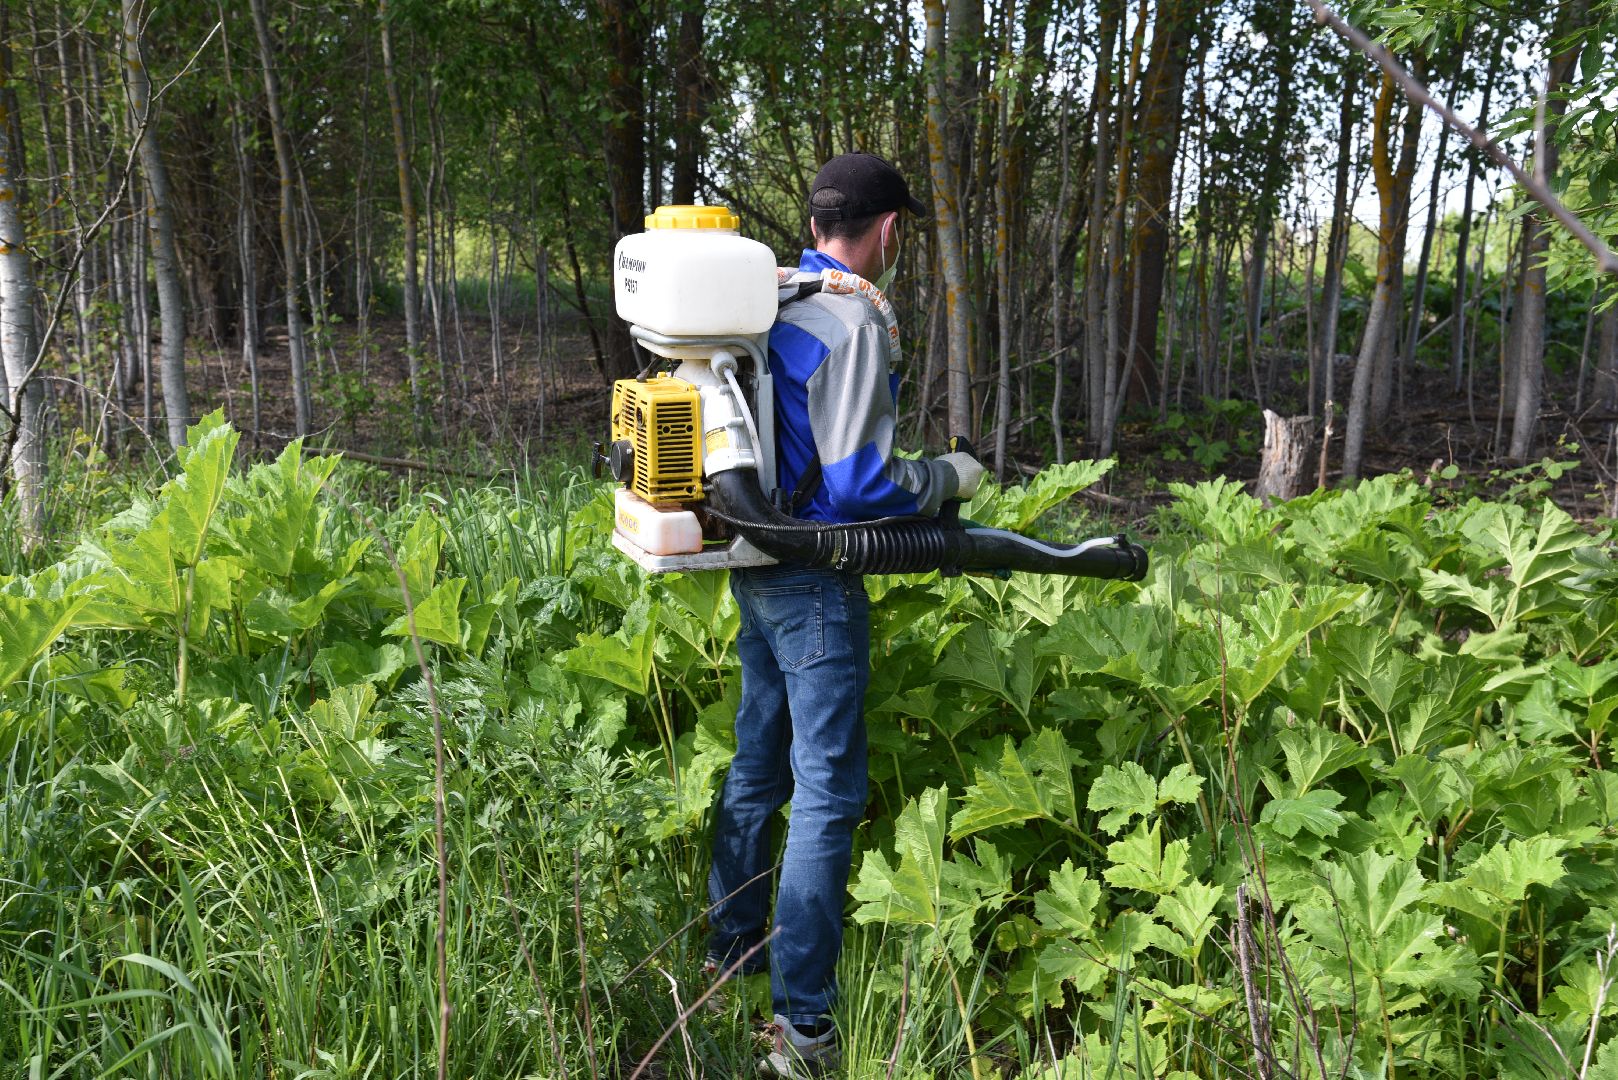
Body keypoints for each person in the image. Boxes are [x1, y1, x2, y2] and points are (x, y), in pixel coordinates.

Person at [705, 152, 985, 1078]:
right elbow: (862, 484)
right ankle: (805, 1029)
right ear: (890, 229)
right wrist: (947, 476)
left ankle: (728, 960)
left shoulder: (772, 300)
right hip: (817, 577)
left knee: (756, 766)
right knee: (825, 794)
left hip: (755, 562)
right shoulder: (852, 318)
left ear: (815, 223)